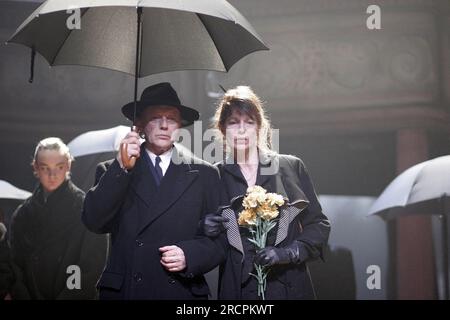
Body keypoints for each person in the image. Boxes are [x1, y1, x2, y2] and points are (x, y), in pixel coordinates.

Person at [82, 82, 225, 300]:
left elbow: (220, 241)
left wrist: (190, 255)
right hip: (128, 291)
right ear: (138, 124)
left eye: (172, 118)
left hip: (180, 290)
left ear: (180, 125)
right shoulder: (111, 170)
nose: (165, 125)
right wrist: (121, 168)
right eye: (156, 118)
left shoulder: (205, 174)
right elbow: (94, 221)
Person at [203, 86, 331, 299]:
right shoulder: (214, 175)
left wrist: (288, 253)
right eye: (234, 122)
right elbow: (204, 239)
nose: (242, 129)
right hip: (239, 290)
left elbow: (318, 224)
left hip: (288, 285)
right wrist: (205, 226)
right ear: (223, 129)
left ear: (260, 128)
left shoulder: (289, 167)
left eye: (249, 122)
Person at [9, 137, 107, 300]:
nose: (52, 175)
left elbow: (91, 267)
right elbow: (15, 268)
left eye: (59, 167)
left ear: (68, 165)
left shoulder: (87, 209)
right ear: (36, 168)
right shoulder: (23, 214)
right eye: (45, 167)